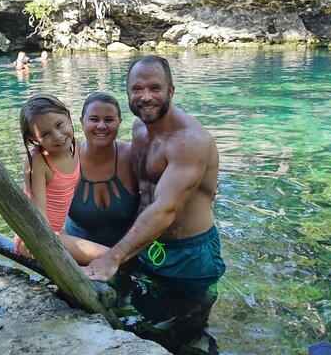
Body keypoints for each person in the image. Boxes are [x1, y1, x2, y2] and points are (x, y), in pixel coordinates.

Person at [82, 55, 226, 350]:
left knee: (188, 332)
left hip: (190, 255)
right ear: (128, 92)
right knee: (150, 323)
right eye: (137, 89)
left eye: (155, 88)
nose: (145, 97)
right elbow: (140, 187)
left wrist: (112, 257)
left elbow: (165, 208)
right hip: (148, 245)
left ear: (171, 90)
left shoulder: (189, 141)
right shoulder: (139, 127)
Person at [17, 94, 109, 265]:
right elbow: (38, 215)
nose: (58, 136)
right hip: (35, 237)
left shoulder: (75, 146)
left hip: (57, 231)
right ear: (33, 139)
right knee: (107, 255)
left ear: (67, 117)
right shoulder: (38, 161)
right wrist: (48, 244)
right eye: (45, 134)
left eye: (59, 125)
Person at [65, 92, 139, 248]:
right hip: (76, 253)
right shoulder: (66, 160)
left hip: (127, 252)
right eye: (94, 119)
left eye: (109, 120)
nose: (101, 126)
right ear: (81, 121)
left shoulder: (133, 156)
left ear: (120, 122)